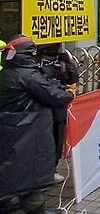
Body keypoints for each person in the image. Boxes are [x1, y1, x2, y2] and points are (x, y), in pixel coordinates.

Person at [0, 35, 74, 214]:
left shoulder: (6, 74)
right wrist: (69, 94)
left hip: (11, 130)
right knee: (31, 175)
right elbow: (55, 96)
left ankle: (13, 205)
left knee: (13, 173)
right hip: (29, 131)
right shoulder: (28, 75)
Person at [37, 44, 79, 184]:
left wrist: (68, 64)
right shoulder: (35, 63)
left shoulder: (61, 60)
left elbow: (73, 79)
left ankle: (52, 169)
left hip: (59, 108)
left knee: (58, 138)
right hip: (43, 109)